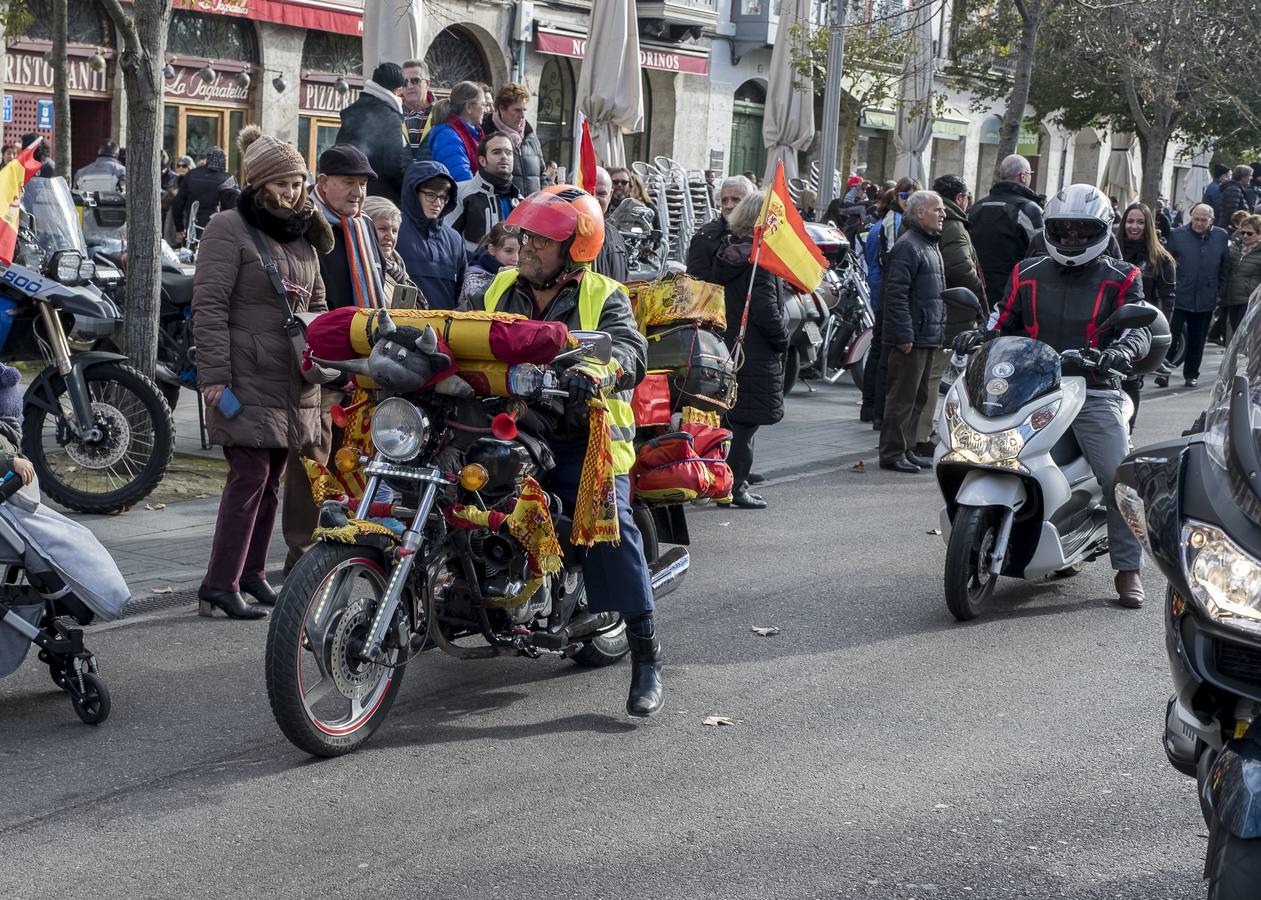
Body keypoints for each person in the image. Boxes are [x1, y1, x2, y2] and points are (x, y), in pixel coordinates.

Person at [470, 185, 662, 718]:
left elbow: (629, 349)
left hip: (585, 432)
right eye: (524, 235)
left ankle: (646, 652)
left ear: (574, 249)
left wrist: (592, 371)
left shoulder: (605, 293)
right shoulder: (497, 289)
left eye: (540, 240)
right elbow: (461, 332)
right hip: (515, 422)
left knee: (607, 524)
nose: (525, 246)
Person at [958, 184, 1152, 608]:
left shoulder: (1122, 276)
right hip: (1029, 386)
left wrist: (1119, 351)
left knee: (1120, 476)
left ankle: (1127, 569)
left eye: (1084, 232)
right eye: (1063, 230)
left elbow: (1139, 327)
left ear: (1102, 231)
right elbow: (1003, 318)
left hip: (1094, 389)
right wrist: (980, 336)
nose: (1073, 239)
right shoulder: (1026, 271)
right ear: (1049, 228)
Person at [191, 126, 332, 619]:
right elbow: (208, 307)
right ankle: (219, 582)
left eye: (296, 182)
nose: (291, 192)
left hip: (291, 380)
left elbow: (319, 306)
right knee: (248, 477)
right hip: (243, 376)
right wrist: (215, 378)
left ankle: (251, 575)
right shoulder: (228, 228)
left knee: (271, 479)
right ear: (257, 184)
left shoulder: (305, 239)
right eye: (281, 183)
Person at [707, 191, 791, 510]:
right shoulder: (759, 259)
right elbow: (767, 310)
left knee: (730, 418)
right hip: (754, 350)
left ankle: (723, 480)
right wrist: (782, 340)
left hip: (729, 343)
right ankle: (735, 486)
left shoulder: (731, 251)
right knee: (745, 425)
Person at [877, 191, 946, 474]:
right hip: (913, 337)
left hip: (926, 334)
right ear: (920, 213)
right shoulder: (909, 246)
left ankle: (906, 448)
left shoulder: (928, 244)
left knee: (917, 396)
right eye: (937, 209)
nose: (943, 214)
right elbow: (896, 294)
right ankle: (892, 452)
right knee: (902, 397)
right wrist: (904, 334)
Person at [918, 174, 986, 456]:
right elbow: (961, 269)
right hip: (951, 310)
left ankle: (918, 432)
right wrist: (981, 296)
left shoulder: (932, 222)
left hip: (934, 308)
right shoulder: (955, 226)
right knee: (934, 375)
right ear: (960, 198)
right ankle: (922, 435)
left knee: (927, 374)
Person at [860, 178, 918, 425]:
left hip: (884, 290)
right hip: (886, 292)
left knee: (880, 349)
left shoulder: (892, 220)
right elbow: (891, 260)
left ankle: (871, 407)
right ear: (897, 197)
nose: (909, 202)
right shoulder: (893, 223)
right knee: (884, 352)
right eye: (906, 197)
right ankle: (874, 409)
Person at [1117, 201, 1176, 424]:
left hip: (1141, 332)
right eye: (1130, 221)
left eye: (1140, 222)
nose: (1134, 226)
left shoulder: (1161, 259)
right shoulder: (1111, 252)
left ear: (1148, 225)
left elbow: (1168, 300)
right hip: (1109, 327)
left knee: (1130, 381)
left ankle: (1127, 430)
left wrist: (1160, 332)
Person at [1162, 202, 1232, 387]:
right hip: (1180, 294)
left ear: (1212, 220)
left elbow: (1225, 266)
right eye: (1196, 219)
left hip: (1206, 295)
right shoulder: (1177, 235)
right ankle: (1164, 372)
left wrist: (1220, 292)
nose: (1199, 223)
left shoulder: (1221, 236)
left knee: (1197, 339)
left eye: (1203, 220)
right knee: (1171, 336)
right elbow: (1166, 264)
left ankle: (1191, 374)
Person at [968, 154, 1044, 306]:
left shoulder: (975, 208)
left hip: (979, 292)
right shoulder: (1029, 209)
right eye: (1029, 174)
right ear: (1022, 176)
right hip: (1015, 294)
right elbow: (1042, 253)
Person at [397, 160, 466, 310]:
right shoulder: (393, 230)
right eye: (431, 195)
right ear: (413, 193)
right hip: (402, 326)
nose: (438, 203)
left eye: (443, 197)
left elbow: (461, 295)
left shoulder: (455, 240)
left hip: (444, 329)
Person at [335, 62, 408, 203]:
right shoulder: (390, 117)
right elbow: (395, 164)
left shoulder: (353, 111)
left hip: (348, 192)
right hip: (381, 198)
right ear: (397, 90)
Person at [450, 133, 521, 254]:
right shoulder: (460, 193)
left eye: (509, 153)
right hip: (470, 270)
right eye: (496, 152)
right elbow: (445, 240)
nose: (504, 157)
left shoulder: (520, 201)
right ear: (482, 160)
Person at [481, 83, 548, 196]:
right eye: (517, 110)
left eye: (524, 110)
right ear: (501, 109)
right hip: (503, 209)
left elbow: (543, 175)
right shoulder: (485, 135)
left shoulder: (530, 136)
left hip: (533, 209)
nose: (522, 115)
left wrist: (546, 198)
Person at [686, 175, 754, 282]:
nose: (729, 205)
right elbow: (694, 284)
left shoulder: (761, 233)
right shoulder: (705, 237)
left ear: (749, 203)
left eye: (736, 200)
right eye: (724, 200)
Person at [361, 196, 421, 306]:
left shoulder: (398, 270)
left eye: (394, 231)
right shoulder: (360, 270)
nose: (390, 236)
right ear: (363, 228)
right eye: (382, 229)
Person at [427, 81, 487, 185]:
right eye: (482, 104)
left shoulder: (473, 133)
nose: (485, 110)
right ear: (468, 107)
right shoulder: (448, 136)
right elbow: (462, 181)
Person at [172, 147, 236, 242]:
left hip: (193, 229)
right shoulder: (228, 179)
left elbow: (178, 203)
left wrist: (179, 227)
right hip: (217, 231)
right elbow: (234, 207)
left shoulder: (191, 175)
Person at [458, 222, 519, 308]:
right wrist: (501, 279)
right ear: (492, 249)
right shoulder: (474, 280)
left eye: (519, 251)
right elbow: (482, 311)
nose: (516, 258)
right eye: (508, 251)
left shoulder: (521, 277)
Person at [1222, 213, 1261, 337]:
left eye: (1249, 233)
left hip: (1251, 300)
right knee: (1234, 334)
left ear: (1259, 233)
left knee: (1245, 336)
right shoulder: (1234, 247)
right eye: (1242, 232)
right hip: (1232, 298)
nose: (1245, 236)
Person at [592, 166, 629, 283]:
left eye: (601, 194)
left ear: (610, 195)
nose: (594, 198)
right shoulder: (564, 237)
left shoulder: (616, 236)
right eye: (588, 191)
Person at [400, 59, 432, 166]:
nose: (409, 86)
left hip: (432, 180)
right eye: (404, 82)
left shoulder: (442, 113)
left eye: (415, 81)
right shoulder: (393, 113)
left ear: (427, 83)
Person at [1219, 165, 1255, 231]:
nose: (1251, 178)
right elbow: (1233, 213)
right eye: (1250, 175)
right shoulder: (1233, 189)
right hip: (1231, 229)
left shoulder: (1236, 188)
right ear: (1243, 176)